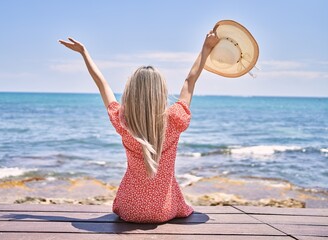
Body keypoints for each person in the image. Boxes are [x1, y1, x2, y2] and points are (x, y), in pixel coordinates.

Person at [59, 31, 219, 223]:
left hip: (129, 210)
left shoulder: (123, 120)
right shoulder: (175, 119)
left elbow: (103, 84)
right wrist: (207, 48)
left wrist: (84, 53)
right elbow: (190, 80)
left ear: (131, 91)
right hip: (164, 210)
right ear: (161, 93)